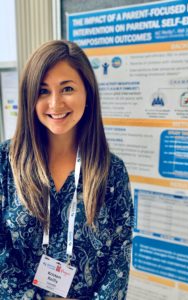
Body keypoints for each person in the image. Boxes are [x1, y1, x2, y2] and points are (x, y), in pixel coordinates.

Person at [0, 40, 134, 300]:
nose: (55, 103)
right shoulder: (6, 162)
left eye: (67, 88)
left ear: (88, 93)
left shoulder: (112, 171)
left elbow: (119, 258)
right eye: (42, 91)